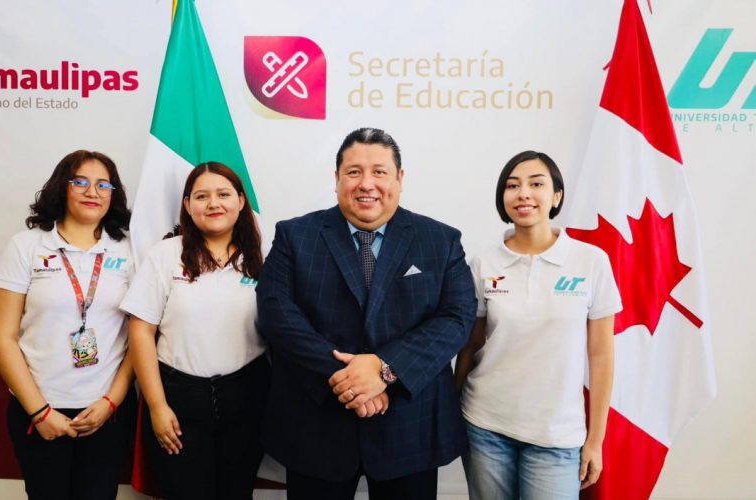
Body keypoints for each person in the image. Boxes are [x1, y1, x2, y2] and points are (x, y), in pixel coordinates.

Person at [256, 127, 476, 500]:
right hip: (317, 424)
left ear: (399, 178)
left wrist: (386, 370)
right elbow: (277, 313)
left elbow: (456, 317)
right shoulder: (296, 235)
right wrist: (351, 379)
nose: (366, 184)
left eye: (379, 172)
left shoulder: (440, 240)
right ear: (337, 179)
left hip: (410, 428)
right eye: (354, 172)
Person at [454, 150, 622, 499]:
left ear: (556, 195)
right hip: (486, 424)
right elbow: (469, 344)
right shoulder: (484, 262)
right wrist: (450, 407)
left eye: (536, 184)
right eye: (512, 185)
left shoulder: (590, 262)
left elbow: (602, 356)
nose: (523, 193)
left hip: (556, 434)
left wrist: (595, 440)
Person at [0, 150, 136, 500]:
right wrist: (39, 411)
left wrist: (111, 403)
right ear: (61, 188)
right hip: (39, 410)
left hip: (105, 412)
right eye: (80, 182)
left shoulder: (130, 250)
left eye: (103, 184)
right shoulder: (26, 246)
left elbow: (139, 337)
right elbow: (1, 337)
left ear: (114, 194)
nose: (92, 192)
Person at [121, 162, 268, 500]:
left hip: (247, 397)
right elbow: (141, 332)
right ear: (187, 205)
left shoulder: (263, 255)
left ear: (241, 201)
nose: (213, 203)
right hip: (178, 401)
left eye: (223, 194)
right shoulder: (165, 255)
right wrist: (157, 407)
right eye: (201, 196)